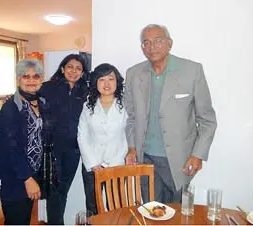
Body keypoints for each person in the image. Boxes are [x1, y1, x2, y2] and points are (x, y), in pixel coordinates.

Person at [124, 24, 217, 203]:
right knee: (151, 212)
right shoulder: (133, 74)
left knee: (177, 215)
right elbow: (131, 117)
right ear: (142, 48)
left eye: (158, 41)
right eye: (146, 43)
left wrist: (197, 155)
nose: (152, 47)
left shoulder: (192, 71)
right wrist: (132, 148)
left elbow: (207, 120)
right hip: (146, 159)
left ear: (170, 43)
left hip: (179, 160)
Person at [0, 59, 53, 225]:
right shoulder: (11, 107)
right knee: (17, 219)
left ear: (41, 79)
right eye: (26, 76)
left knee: (24, 217)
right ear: (18, 79)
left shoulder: (42, 102)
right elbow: (11, 147)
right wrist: (27, 179)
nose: (31, 80)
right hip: (12, 176)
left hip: (31, 171)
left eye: (36, 76)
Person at [38, 54, 89, 225]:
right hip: (52, 149)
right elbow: (29, 102)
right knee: (54, 191)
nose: (73, 71)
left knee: (63, 191)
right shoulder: (47, 88)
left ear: (82, 73)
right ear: (62, 68)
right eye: (70, 67)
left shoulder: (85, 92)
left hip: (74, 150)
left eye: (78, 68)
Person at [77, 63, 128, 214]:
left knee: (116, 207)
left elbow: (130, 134)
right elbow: (82, 135)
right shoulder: (88, 106)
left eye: (111, 79)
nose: (106, 84)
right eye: (101, 79)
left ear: (117, 82)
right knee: (93, 208)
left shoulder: (126, 104)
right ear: (95, 83)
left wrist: (116, 162)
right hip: (92, 165)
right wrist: (93, 164)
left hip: (117, 164)